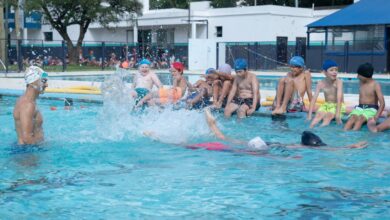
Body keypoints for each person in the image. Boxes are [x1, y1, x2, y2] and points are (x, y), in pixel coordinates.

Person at [205, 108, 367, 150]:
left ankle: (213, 126)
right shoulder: (309, 148)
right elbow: (330, 149)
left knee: (231, 141)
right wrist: (350, 146)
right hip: (263, 147)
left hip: (266, 143)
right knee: (230, 142)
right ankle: (213, 126)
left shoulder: (296, 145)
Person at [344, 63, 385, 131]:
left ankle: (353, 135)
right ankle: (344, 135)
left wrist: (376, 117)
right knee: (351, 119)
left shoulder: (375, 85)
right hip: (359, 108)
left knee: (360, 119)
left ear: (365, 76)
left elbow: (382, 103)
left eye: (359, 75)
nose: (357, 77)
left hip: (371, 109)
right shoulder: (361, 82)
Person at [13, 66, 49, 145]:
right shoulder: (28, 105)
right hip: (28, 154)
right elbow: (27, 139)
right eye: (43, 81)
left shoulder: (27, 101)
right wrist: (46, 145)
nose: (46, 85)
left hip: (28, 150)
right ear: (32, 82)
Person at [307, 60, 345, 128]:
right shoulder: (321, 83)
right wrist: (309, 115)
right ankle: (310, 129)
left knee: (328, 117)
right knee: (317, 116)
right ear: (325, 72)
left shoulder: (339, 82)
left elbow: (339, 99)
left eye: (336, 70)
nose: (334, 72)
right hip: (326, 105)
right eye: (331, 70)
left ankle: (321, 132)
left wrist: (337, 114)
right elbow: (314, 99)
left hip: (337, 105)